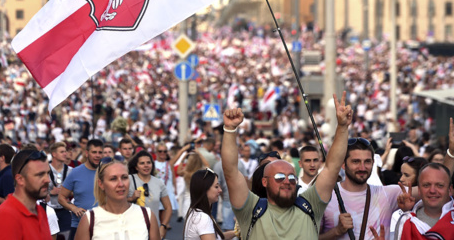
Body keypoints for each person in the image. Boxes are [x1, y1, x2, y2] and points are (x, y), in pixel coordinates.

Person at [222, 92, 352, 239]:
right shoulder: (251, 209)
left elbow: (332, 167)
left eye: (291, 177)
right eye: (279, 177)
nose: (287, 181)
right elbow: (231, 172)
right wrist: (229, 130)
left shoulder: (311, 205)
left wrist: (342, 127)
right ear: (264, 182)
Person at [321, 118, 454, 240]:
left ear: (373, 163)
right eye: (356, 161)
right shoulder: (325, 196)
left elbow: (435, 185)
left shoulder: (386, 194)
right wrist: (336, 231)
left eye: (367, 161)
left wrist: (451, 153)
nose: (362, 167)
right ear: (343, 164)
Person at [75, 157, 160, 240]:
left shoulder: (146, 215)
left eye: (124, 177)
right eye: (113, 179)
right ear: (101, 184)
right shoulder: (90, 219)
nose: (121, 184)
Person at [373, 163, 454, 240]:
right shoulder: (406, 221)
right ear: (419, 190)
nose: (432, 190)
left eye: (439, 185)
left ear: (450, 190)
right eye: (426, 185)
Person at [0, 149, 51, 239]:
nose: (47, 180)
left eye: (48, 173)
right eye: (40, 175)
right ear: (20, 179)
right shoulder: (5, 217)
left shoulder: (40, 211)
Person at [59, 139, 103, 240]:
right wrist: (74, 208)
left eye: (100, 152)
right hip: (79, 225)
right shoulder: (75, 172)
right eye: (94, 152)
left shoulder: (106, 172)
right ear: (87, 153)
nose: (97, 155)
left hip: (102, 226)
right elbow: (61, 197)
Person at [127, 150, 172, 239]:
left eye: (148, 162)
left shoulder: (159, 183)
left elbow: (168, 208)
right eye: (142, 163)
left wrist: (163, 226)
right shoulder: (129, 180)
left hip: (154, 230)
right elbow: (116, 202)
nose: (146, 165)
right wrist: (131, 198)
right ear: (136, 167)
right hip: (133, 230)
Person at [183, 168, 236, 240]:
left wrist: (235, 233)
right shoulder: (203, 218)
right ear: (204, 189)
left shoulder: (197, 213)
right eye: (216, 186)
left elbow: (217, 237)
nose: (220, 190)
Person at [388, 156, 428, 239]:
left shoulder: (434, 210)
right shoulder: (397, 211)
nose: (401, 179)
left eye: (406, 175)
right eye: (401, 174)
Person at [48, 142, 73, 239]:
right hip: (49, 209)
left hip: (65, 209)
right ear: (54, 154)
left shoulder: (71, 170)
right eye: (62, 152)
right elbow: (36, 189)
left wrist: (66, 192)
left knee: (66, 237)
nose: (65, 154)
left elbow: (76, 191)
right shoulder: (45, 169)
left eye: (65, 151)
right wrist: (51, 192)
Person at [153, 143, 178, 218]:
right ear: (156, 152)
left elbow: (173, 177)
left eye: (164, 151)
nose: (162, 153)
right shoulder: (152, 164)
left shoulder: (169, 163)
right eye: (160, 151)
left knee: (164, 222)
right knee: (156, 220)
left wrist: (175, 188)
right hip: (155, 194)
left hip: (167, 193)